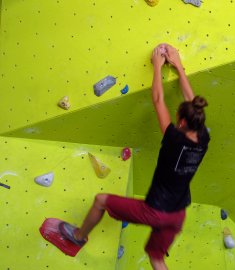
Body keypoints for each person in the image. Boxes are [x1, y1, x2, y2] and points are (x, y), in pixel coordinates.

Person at [58, 43, 210, 270]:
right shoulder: (204, 136)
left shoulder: (173, 139)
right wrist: (178, 65)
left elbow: (158, 100)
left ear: (181, 122)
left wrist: (157, 66)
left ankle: (79, 236)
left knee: (100, 201)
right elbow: (191, 102)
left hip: (156, 212)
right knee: (157, 259)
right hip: (177, 216)